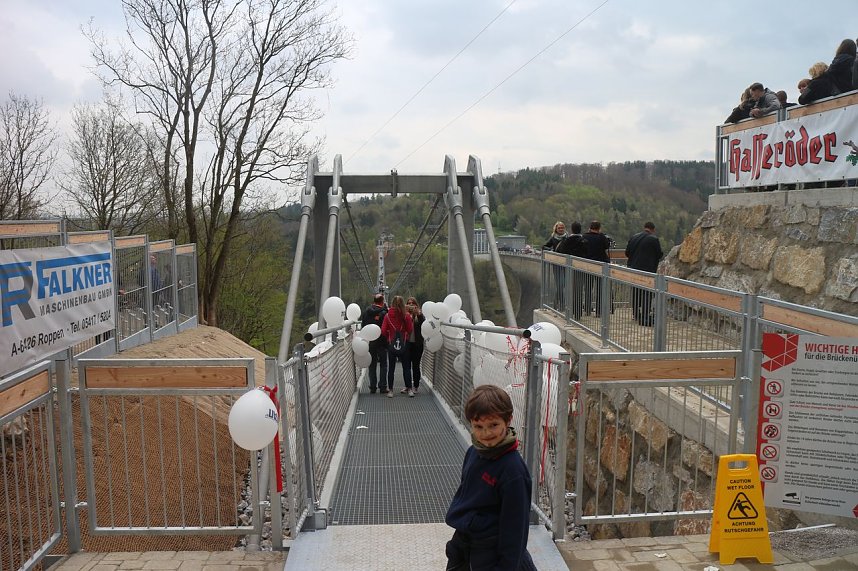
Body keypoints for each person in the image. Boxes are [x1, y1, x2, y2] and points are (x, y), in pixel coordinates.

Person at [444, 385, 536, 571]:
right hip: (466, 544)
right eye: (478, 427)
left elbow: (515, 530)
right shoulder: (473, 452)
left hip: (491, 552)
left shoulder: (513, 471)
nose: (486, 434)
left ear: (508, 421)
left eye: (493, 425)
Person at [625, 222, 664, 326]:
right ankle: (645, 315)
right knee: (647, 293)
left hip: (633, 269)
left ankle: (636, 314)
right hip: (647, 270)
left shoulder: (634, 237)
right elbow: (659, 254)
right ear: (653, 229)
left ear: (645, 228)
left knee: (636, 291)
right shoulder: (654, 239)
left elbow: (627, 253)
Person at [381, 295, 414, 397]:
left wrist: (389, 336)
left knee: (391, 368)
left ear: (392, 303)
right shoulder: (406, 316)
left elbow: (383, 331)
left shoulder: (387, 316)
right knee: (406, 368)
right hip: (404, 343)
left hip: (391, 344)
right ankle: (409, 389)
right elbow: (410, 329)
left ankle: (391, 390)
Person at [554, 221, 587, 320]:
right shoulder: (584, 241)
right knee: (578, 290)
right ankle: (578, 313)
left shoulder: (567, 241)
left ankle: (569, 310)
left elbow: (560, 252)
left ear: (572, 230)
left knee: (569, 290)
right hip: (581, 269)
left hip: (567, 269)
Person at [581, 220, 610, 317]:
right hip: (600, 266)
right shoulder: (602, 237)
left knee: (588, 288)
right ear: (599, 228)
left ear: (590, 227)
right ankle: (599, 311)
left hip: (588, 265)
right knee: (600, 289)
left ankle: (587, 309)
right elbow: (607, 246)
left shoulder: (584, 236)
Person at [361, 293, 388, 394]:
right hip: (382, 342)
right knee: (383, 364)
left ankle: (373, 386)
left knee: (372, 365)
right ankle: (383, 386)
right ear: (382, 301)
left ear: (374, 301)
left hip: (371, 342)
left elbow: (363, 326)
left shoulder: (366, 312)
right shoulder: (384, 312)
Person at [543, 221, 567, 311]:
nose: (561, 229)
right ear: (556, 229)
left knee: (562, 285)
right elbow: (544, 247)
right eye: (559, 228)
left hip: (566, 264)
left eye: (562, 228)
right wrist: (551, 250)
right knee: (560, 285)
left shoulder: (567, 238)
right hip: (556, 264)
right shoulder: (553, 238)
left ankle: (556, 303)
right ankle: (562, 305)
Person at [405, 297, 425, 394]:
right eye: (409, 303)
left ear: (416, 305)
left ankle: (416, 386)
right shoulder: (406, 315)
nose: (411, 305)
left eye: (413, 303)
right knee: (407, 366)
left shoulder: (420, 315)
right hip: (407, 343)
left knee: (416, 366)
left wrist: (418, 314)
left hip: (417, 344)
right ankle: (408, 386)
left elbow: (423, 324)